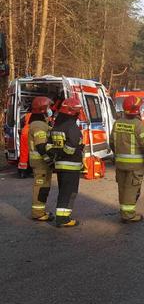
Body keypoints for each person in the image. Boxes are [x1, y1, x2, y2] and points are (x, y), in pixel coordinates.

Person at [110, 95, 144, 223]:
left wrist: (118, 155)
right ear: (137, 109)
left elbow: (111, 143)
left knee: (123, 188)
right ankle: (128, 215)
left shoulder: (117, 123)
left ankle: (124, 211)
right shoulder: (139, 125)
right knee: (131, 189)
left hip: (120, 164)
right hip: (134, 166)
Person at [50, 97, 84, 227]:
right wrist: (78, 148)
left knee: (63, 191)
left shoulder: (56, 126)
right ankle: (63, 219)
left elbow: (50, 144)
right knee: (69, 192)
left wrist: (57, 154)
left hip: (60, 165)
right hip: (71, 165)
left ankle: (62, 217)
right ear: (73, 112)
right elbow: (71, 147)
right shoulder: (71, 127)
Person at [28, 97, 55, 221]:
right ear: (43, 109)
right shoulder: (39, 125)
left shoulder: (40, 123)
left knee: (43, 187)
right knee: (41, 187)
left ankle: (40, 211)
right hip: (40, 163)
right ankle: (38, 213)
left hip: (40, 163)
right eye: (49, 108)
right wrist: (49, 160)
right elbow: (41, 146)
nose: (50, 110)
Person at [18, 112, 32, 178]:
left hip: (24, 132)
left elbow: (21, 123)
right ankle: (31, 170)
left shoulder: (27, 115)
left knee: (24, 153)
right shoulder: (39, 115)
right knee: (34, 153)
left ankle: (22, 172)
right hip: (31, 133)